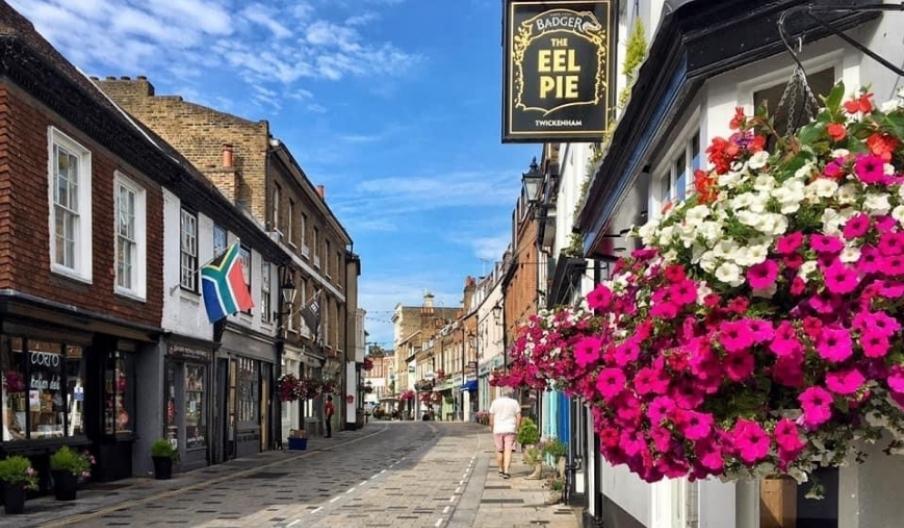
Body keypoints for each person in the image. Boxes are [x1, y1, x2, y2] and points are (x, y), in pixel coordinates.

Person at [489, 387, 521, 479]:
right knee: (508, 450)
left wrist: (492, 427)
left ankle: (500, 469)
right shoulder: (514, 403)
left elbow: (491, 417)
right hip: (510, 429)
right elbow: (518, 416)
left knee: (499, 450)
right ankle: (506, 471)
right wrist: (517, 428)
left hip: (498, 429)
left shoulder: (495, 402)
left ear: (502, 393)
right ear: (511, 393)